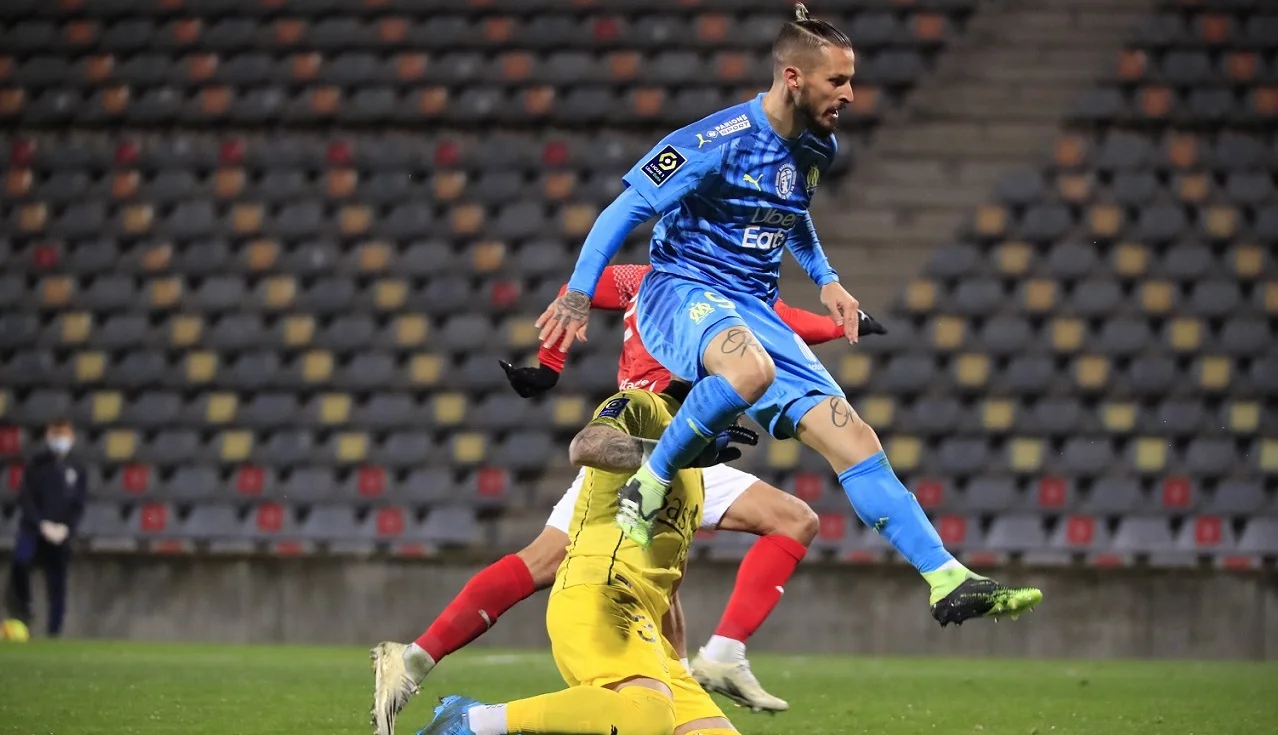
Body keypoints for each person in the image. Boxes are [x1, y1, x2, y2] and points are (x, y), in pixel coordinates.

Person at [535, 4, 1041, 627]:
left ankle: (946, 577)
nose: (850, 94)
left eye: (851, 80)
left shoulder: (818, 145)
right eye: (838, 81)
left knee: (854, 437)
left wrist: (827, 279)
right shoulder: (712, 141)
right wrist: (578, 293)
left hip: (752, 308)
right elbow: (623, 211)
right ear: (793, 78)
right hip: (682, 289)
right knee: (750, 371)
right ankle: (652, 481)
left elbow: (791, 212)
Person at [369, 264, 887, 733]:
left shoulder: (722, 280)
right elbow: (578, 293)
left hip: (689, 436)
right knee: (563, 561)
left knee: (676, 545)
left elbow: (782, 323)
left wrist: (843, 324)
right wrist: (549, 362)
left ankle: (701, 660)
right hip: (651, 430)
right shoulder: (655, 281)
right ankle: (447, 693)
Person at [414, 381, 741, 735]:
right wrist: (673, 451)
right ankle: (472, 722)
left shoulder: (697, 475)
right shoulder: (643, 405)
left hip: (645, 625)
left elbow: (670, 582)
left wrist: (679, 666)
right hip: (600, 591)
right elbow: (586, 446)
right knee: (646, 718)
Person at [6, 418, 86, 638]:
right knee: (20, 562)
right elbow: (26, 498)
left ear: (71, 438)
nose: (60, 439)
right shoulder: (36, 465)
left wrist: (66, 528)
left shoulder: (77, 468)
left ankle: (54, 632)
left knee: (57, 584)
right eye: (56, 434)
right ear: (48, 436)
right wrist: (41, 524)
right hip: (34, 529)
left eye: (64, 435)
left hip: (60, 534)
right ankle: (25, 606)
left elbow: (78, 504)